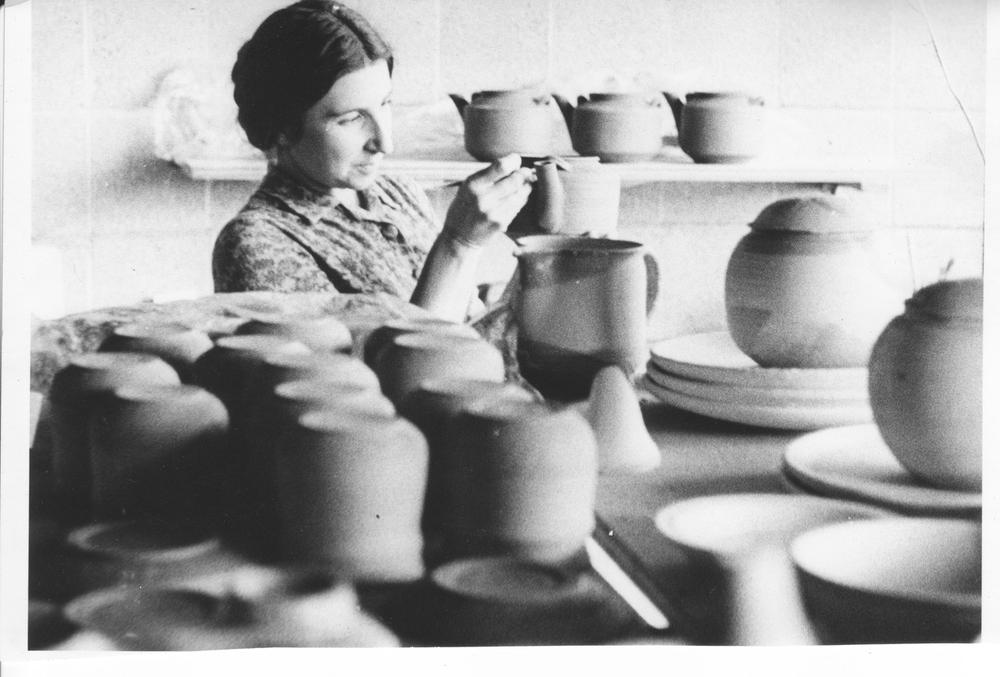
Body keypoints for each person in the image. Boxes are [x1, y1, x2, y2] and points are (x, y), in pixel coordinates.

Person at [213, 0, 533, 322]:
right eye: (351, 118)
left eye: (385, 104)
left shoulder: (399, 193)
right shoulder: (256, 243)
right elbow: (400, 369)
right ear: (282, 127)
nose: (384, 143)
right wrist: (459, 244)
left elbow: (469, 327)